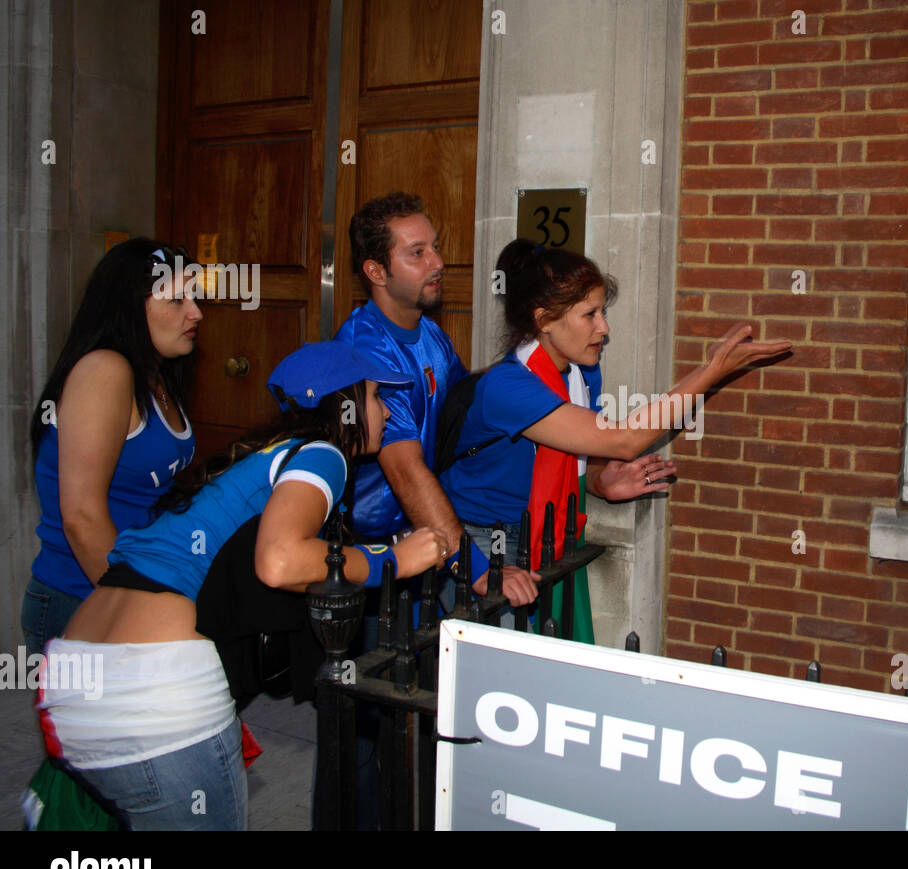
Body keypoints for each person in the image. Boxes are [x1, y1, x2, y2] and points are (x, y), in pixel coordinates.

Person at [37, 342, 450, 830]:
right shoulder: (323, 455)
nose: (385, 410)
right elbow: (279, 561)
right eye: (378, 396)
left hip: (72, 679)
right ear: (347, 404)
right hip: (153, 694)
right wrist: (392, 559)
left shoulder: (261, 459)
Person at [437, 239, 793, 639]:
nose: (603, 328)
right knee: (502, 675)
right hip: (482, 540)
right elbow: (622, 439)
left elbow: (578, 451)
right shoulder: (507, 387)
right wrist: (711, 372)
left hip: (546, 534)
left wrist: (600, 481)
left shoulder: (579, 372)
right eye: (589, 314)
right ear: (544, 320)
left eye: (602, 312)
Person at [333, 191, 537, 609]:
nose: (438, 263)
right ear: (376, 270)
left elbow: (468, 406)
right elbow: (404, 471)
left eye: (436, 248)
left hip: (429, 534)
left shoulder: (429, 333)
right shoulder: (366, 350)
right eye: (417, 253)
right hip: (378, 554)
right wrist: (477, 567)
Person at [24, 239, 202, 652]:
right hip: (82, 597)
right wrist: (134, 607)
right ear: (129, 307)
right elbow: (81, 517)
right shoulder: (104, 370)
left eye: (193, 297)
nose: (196, 312)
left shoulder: (157, 376)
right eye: (177, 299)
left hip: (137, 587)